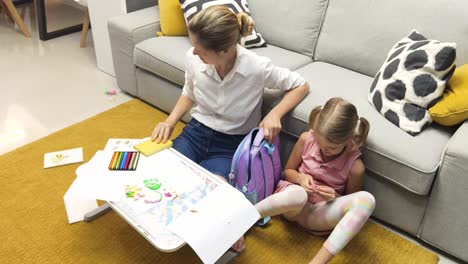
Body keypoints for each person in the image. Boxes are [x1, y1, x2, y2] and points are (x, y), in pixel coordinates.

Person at [151, 6, 309, 181]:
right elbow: (189, 91)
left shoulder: (256, 67)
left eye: (200, 49)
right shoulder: (193, 58)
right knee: (162, 175)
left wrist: (275, 114)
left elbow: (301, 85)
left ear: (224, 50)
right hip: (195, 133)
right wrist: (169, 122)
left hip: (231, 144)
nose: (194, 52)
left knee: (212, 190)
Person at [254, 97, 375, 264]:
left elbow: (348, 204)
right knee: (299, 195)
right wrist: (300, 178)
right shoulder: (307, 139)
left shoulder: (356, 167)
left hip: (317, 215)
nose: (324, 149)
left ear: (348, 140)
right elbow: (287, 172)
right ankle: (246, 217)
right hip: (292, 204)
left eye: (331, 148)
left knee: (367, 200)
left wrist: (334, 197)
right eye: (319, 142)